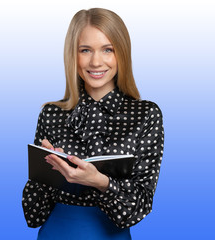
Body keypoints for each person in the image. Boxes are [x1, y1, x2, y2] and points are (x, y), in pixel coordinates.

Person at [22, 8, 164, 240]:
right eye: (85, 50)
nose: (96, 61)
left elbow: (139, 207)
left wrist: (101, 183)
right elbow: (32, 215)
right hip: (57, 233)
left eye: (107, 49)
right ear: (73, 55)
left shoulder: (146, 115)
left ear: (122, 53)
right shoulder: (51, 114)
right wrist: (48, 173)